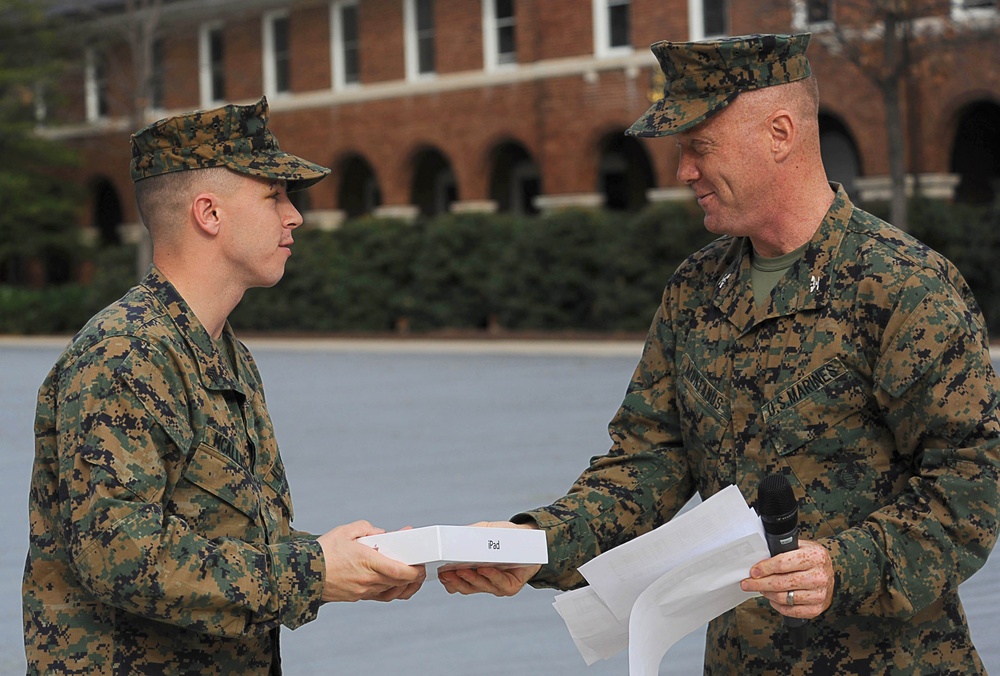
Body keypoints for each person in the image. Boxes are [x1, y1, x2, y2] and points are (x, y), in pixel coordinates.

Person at [439, 33, 1000, 674]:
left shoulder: (901, 286)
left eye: (698, 146)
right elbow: (647, 462)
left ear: (781, 133)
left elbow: (971, 485)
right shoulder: (697, 288)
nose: (683, 171)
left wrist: (843, 566)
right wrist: (538, 543)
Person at [22, 97, 426, 674]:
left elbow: (222, 533)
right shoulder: (126, 353)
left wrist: (349, 562)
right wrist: (312, 572)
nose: (295, 217)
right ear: (209, 214)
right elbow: (120, 556)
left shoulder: (221, 351)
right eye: (274, 195)